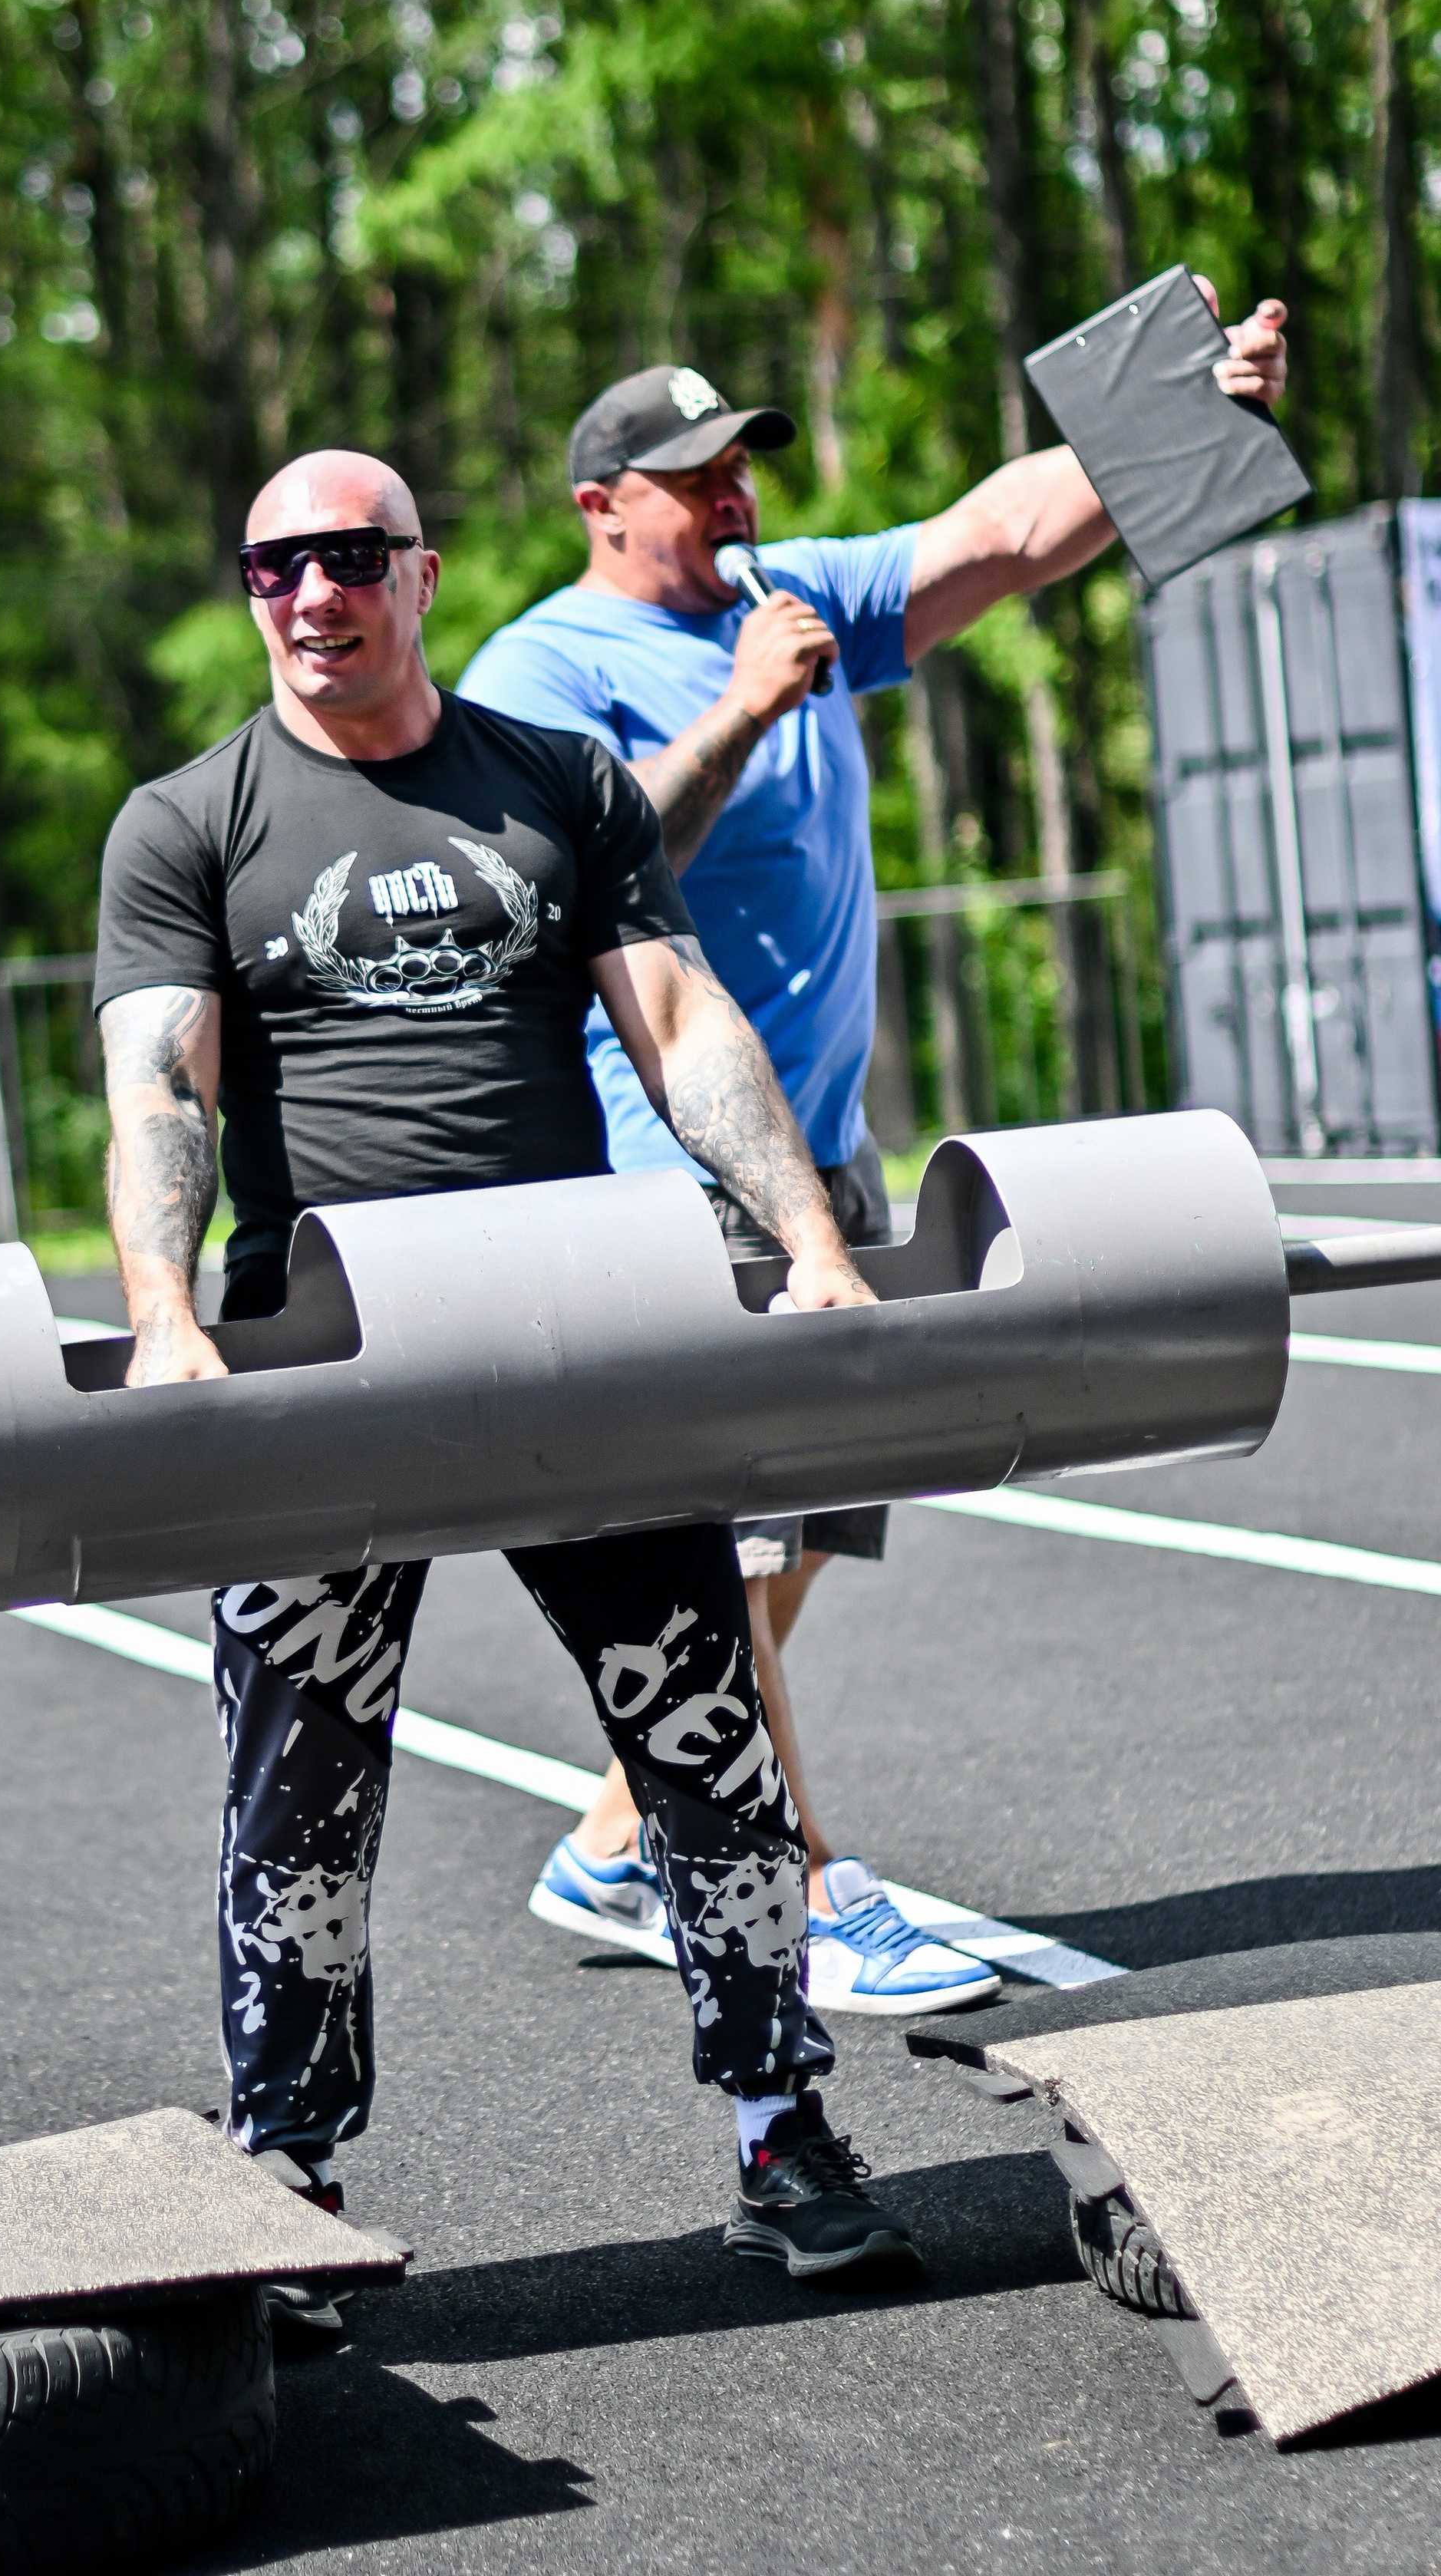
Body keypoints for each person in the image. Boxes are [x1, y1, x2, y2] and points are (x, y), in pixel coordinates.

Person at [96, 446, 918, 2310]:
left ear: (420, 573)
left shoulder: (553, 788)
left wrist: (804, 1239)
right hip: (324, 1363)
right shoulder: (189, 820)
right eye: (274, 566)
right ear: (251, 592)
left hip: (569, 1329)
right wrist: (162, 1307)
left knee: (703, 1741)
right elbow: (161, 1082)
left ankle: (780, 2130)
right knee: (294, 1792)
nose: (314, 596)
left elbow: (681, 1020)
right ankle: (285, 2180)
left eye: (349, 560)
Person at [460, 292, 1289, 2014]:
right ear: (599, 505)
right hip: (661, 1165)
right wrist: (744, 714)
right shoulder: (539, 674)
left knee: (812, 1511)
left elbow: (996, 535)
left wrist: (1181, 413)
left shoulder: (794, 593)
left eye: (741, 463)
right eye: (691, 477)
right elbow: (585, 887)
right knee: (737, 1534)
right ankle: (789, 1879)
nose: (732, 494)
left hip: (812, 1152)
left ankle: (624, 1828)